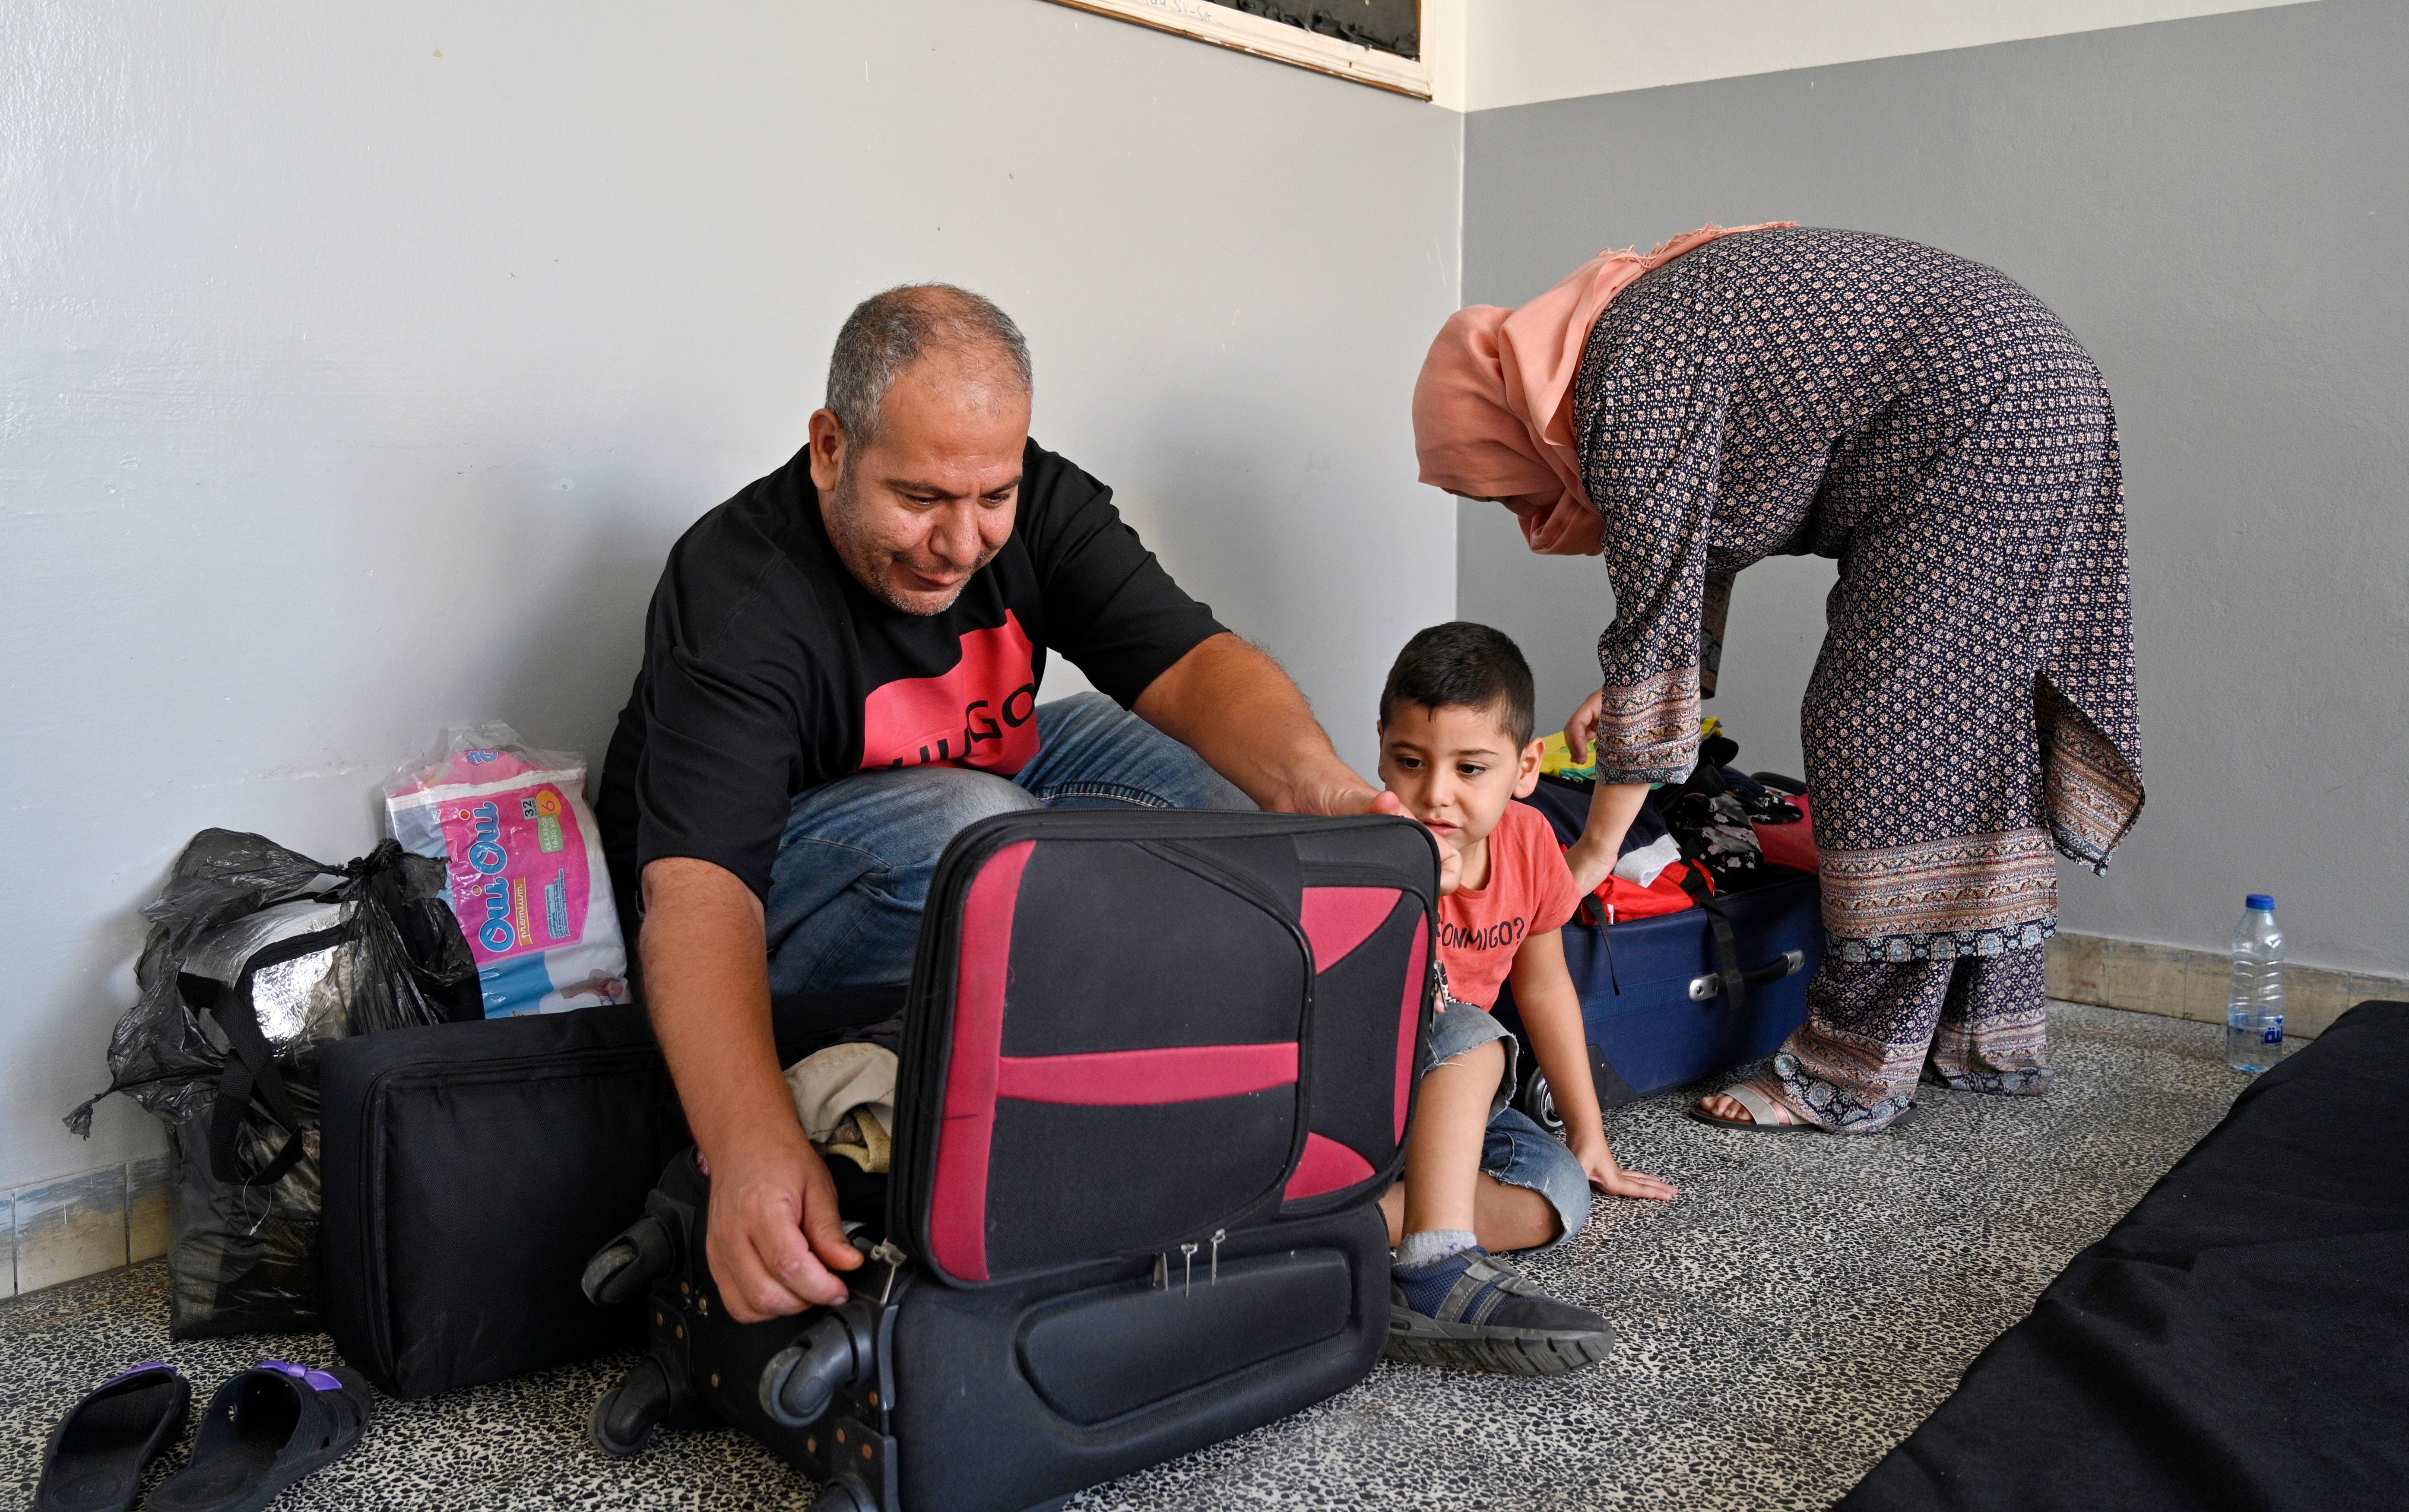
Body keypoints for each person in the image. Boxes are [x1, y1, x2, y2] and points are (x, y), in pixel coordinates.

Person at [596, 284, 1410, 1322]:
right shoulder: (740, 586)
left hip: (977, 813)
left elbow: (1196, 664)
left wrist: (1327, 793)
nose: (962, 540)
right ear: (831, 448)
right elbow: (699, 892)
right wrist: (750, 1141)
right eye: (922, 498)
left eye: (993, 496)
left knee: (1213, 795)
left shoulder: (1042, 503)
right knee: (977, 830)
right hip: (768, 904)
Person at [1414, 224, 2144, 1135]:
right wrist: (1684, 675)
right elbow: (1697, 555)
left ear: (1500, 425)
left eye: (1497, 486)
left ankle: (1849, 1072)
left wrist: (1594, 851)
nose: (1526, 513)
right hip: (2025, 384)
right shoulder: (1625, 345)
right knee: (1968, 724)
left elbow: (1653, 610)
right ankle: (1983, 1033)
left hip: (1984, 413)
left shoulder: (1620, 383)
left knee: (1879, 729)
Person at [1371, 621, 1677, 1376]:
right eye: (1410, 763)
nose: (1435, 794)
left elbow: (1543, 985)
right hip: (1367, 1087)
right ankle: (1434, 1264)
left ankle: (1329, 1233)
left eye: (1470, 768)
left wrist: (1590, 1132)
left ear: (1525, 766)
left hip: (1456, 1105)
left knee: (1559, 1196)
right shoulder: (1370, 841)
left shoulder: (1531, 841)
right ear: (1381, 748)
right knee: (1472, 1032)